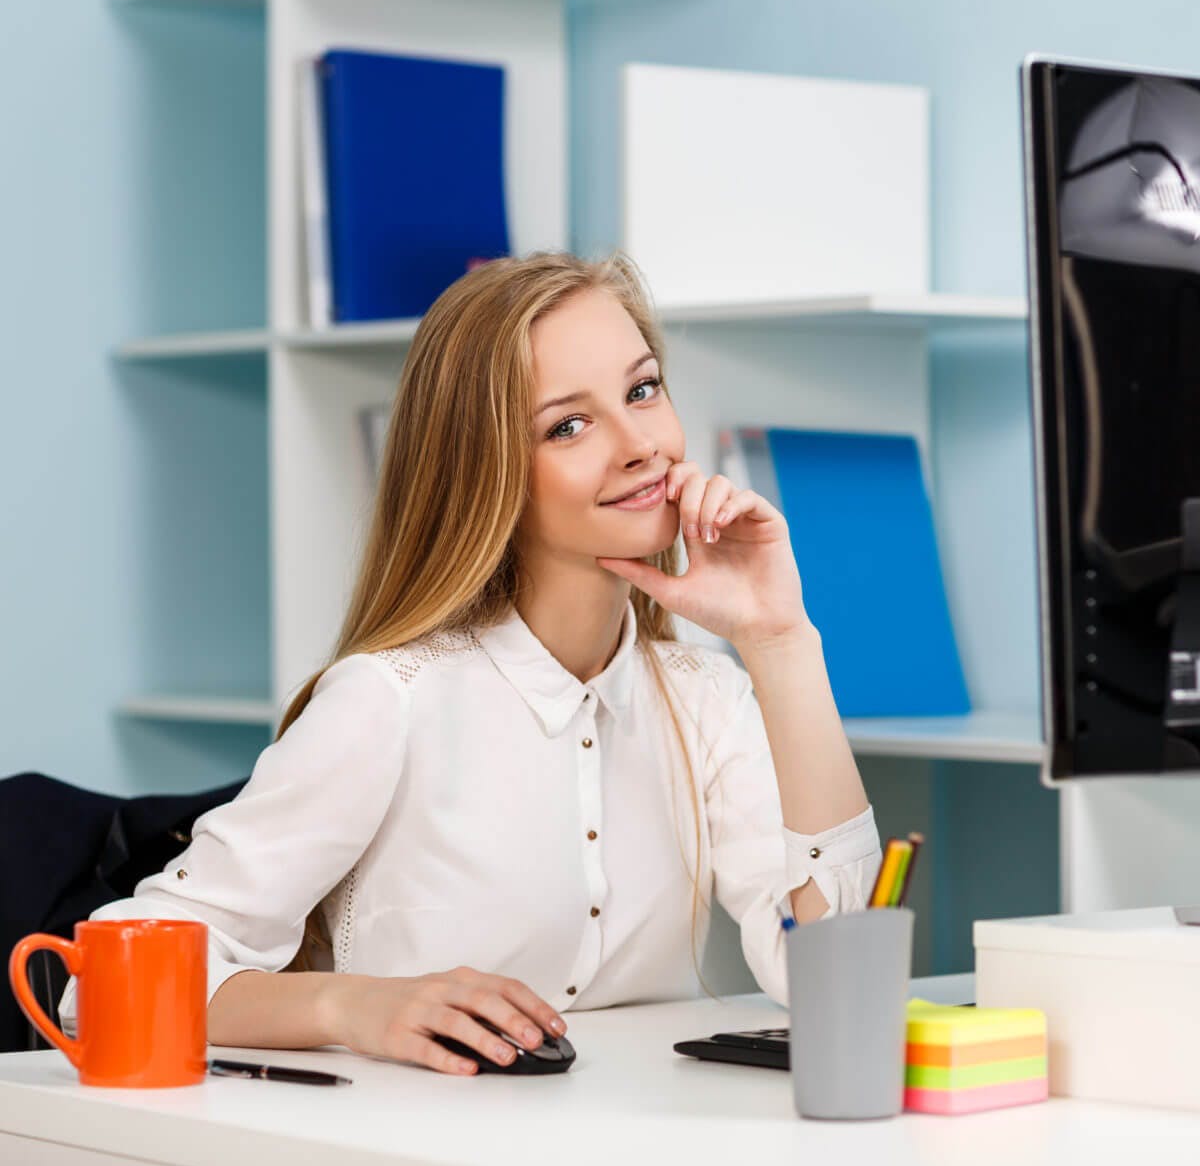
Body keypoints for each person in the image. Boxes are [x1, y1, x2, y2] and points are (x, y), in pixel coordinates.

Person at [60, 251, 882, 1076]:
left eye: (642, 389)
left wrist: (781, 640)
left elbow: (839, 990)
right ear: (488, 470)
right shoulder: (390, 699)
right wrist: (356, 1005)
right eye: (567, 425)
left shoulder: (705, 698)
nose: (640, 446)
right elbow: (93, 989)